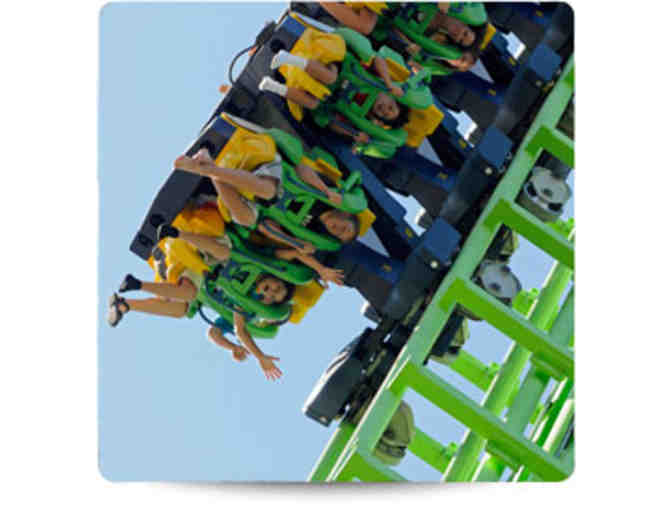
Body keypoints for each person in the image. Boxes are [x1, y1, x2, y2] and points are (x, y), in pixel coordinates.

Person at [174, 148, 357, 286]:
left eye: (339, 235)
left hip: (260, 202)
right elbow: (300, 168)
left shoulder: (310, 231)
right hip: (274, 173)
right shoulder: (328, 198)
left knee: (247, 219)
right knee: (268, 191)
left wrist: (295, 243)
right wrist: (326, 191)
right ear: (346, 215)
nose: (338, 231)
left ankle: (207, 166)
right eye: (345, 228)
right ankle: (205, 169)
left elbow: (265, 226)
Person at [257, 27, 413, 148]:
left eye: (384, 115)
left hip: (326, 93)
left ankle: (272, 86)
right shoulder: (381, 84)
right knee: (331, 77)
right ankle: (288, 58)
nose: (384, 110)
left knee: (313, 104)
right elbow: (377, 59)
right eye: (390, 107)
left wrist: (353, 134)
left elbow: (332, 123)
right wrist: (389, 83)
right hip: (337, 68)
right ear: (393, 98)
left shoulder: (362, 118)